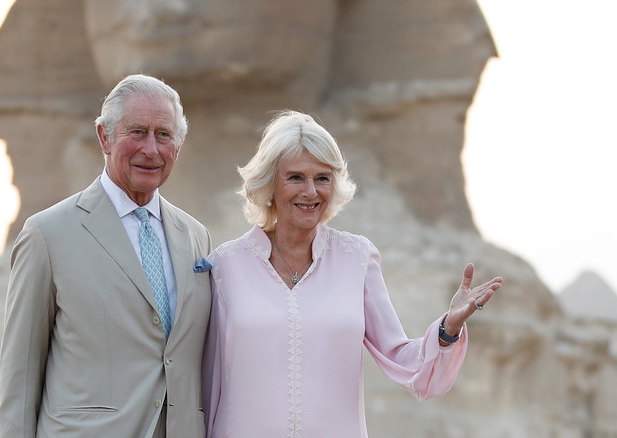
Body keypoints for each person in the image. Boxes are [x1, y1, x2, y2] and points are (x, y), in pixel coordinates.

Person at [202, 111, 503, 438]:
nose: (311, 192)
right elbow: (204, 382)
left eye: (322, 178)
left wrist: (448, 329)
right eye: (295, 178)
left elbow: (403, 359)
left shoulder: (356, 259)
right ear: (269, 183)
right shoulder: (224, 267)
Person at [0, 74, 213, 438]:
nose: (151, 149)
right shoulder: (47, 234)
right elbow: (20, 375)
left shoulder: (196, 236)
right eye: (137, 132)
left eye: (164, 134)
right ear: (104, 136)